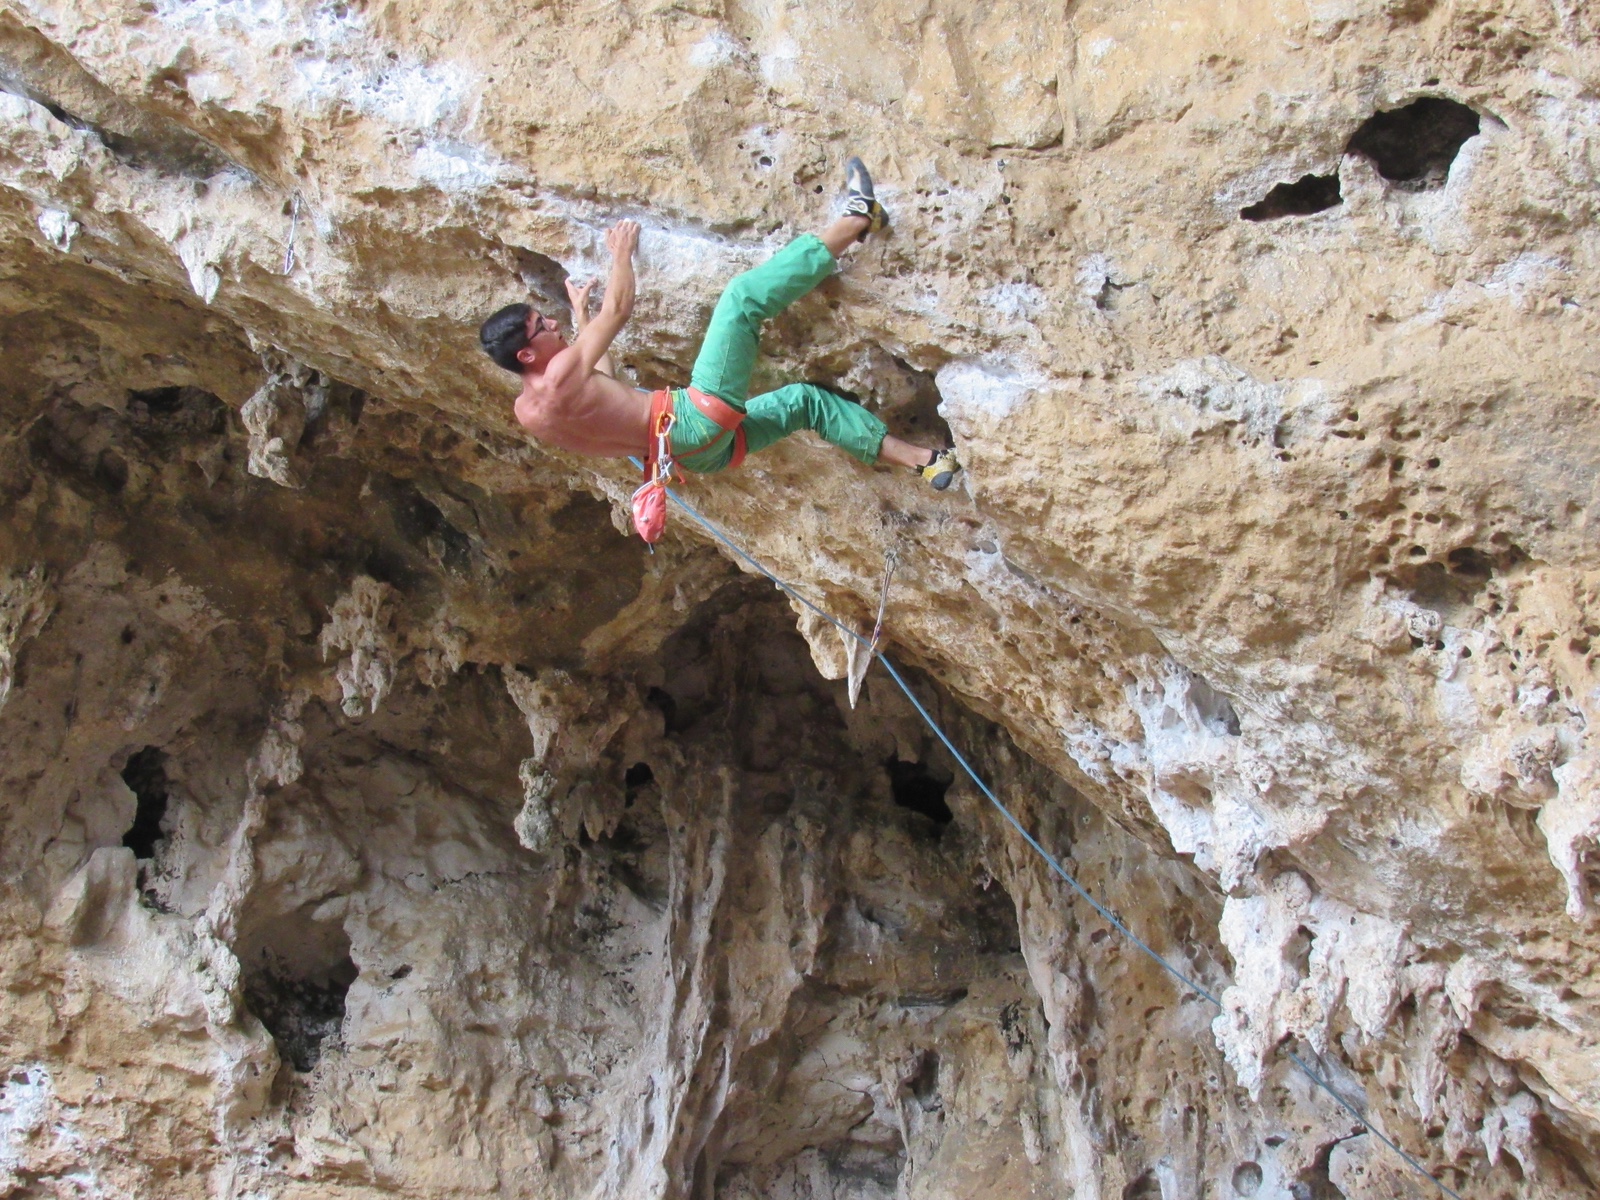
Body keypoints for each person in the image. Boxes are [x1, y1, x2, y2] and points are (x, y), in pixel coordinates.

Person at [478, 159, 960, 489]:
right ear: (526, 353)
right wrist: (620, 257)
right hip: (693, 420)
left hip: (694, 457)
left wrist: (581, 315)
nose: (556, 330)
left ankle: (926, 462)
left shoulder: (531, 413)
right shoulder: (561, 375)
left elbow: (601, 383)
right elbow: (619, 310)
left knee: (804, 403)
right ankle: (857, 220)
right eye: (545, 327)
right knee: (741, 300)